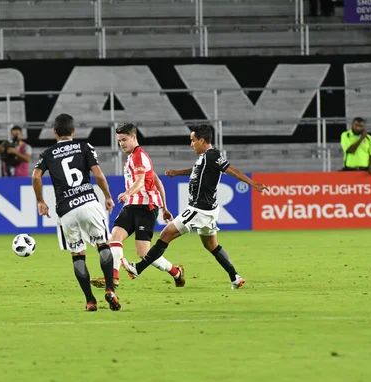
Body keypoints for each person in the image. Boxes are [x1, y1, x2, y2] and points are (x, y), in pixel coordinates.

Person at [122, 125, 268, 290]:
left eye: (193, 140)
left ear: (202, 140)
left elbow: (231, 170)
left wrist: (252, 183)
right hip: (209, 209)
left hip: (199, 209)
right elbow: (195, 171)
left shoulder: (212, 155)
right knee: (211, 245)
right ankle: (235, 277)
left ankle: (137, 269)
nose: (191, 144)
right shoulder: (204, 157)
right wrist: (177, 173)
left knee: (166, 234)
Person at [32, 113, 120, 312]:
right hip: (89, 202)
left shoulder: (47, 154)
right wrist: (107, 195)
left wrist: (40, 200)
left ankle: (90, 301)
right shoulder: (85, 147)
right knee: (102, 245)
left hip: (66, 210)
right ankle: (109, 289)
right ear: (73, 130)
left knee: (78, 255)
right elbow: (98, 174)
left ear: (54, 131)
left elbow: (36, 176)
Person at [90, 122, 184, 289]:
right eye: (119, 141)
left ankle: (176, 272)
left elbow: (141, 181)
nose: (121, 144)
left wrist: (129, 193)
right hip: (131, 206)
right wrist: (164, 207)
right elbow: (157, 181)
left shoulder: (140, 156)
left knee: (143, 254)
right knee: (114, 237)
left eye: (124, 140)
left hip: (146, 208)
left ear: (134, 137)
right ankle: (113, 278)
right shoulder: (132, 157)